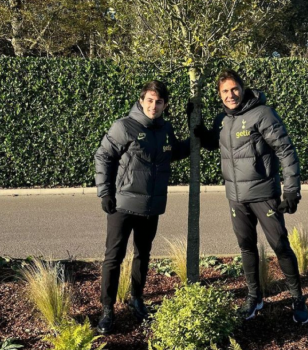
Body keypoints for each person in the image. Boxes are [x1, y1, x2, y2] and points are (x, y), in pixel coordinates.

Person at [194, 68, 308, 324]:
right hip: (235, 196)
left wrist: (291, 189)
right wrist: (198, 128)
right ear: (219, 94)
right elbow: (216, 142)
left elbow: (285, 150)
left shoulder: (262, 114)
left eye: (234, 89)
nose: (230, 95)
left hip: (264, 194)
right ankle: (254, 297)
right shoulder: (221, 120)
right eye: (225, 91)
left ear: (242, 88)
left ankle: (298, 298)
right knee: (246, 247)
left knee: (280, 246)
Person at [93, 80, 190, 334]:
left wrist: (194, 134)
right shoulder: (124, 126)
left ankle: (137, 298)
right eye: (149, 100)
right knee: (113, 257)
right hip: (122, 205)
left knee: (143, 254)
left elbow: (173, 151)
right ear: (141, 100)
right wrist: (105, 192)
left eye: (159, 102)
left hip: (152, 206)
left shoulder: (166, 129)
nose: (153, 105)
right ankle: (107, 309)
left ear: (165, 104)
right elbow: (103, 155)